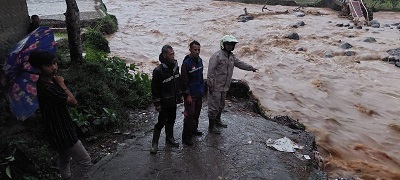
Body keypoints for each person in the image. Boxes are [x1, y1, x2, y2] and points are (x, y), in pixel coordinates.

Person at [28, 51, 92, 180]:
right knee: (84, 161)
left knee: (64, 158)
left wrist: (57, 82)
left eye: (54, 63)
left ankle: (66, 177)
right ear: (39, 68)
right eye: (48, 65)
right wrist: (62, 84)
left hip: (55, 130)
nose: (54, 67)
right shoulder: (48, 88)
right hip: (63, 131)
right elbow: (73, 102)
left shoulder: (46, 84)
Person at [207, 35, 257, 134]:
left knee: (221, 104)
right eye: (228, 45)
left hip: (225, 86)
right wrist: (210, 85)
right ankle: (211, 126)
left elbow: (240, 64)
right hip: (216, 86)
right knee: (213, 106)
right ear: (223, 45)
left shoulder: (232, 57)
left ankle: (218, 120)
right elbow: (210, 72)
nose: (230, 47)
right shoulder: (216, 56)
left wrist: (251, 68)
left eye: (232, 45)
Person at [150, 45, 182, 154]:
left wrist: (180, 95)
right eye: (171, 54)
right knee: (161, 122)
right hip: (164, 102)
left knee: (172, 119)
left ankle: (170, 138)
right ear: (165, 55)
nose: (173, 56)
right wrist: (157, 104)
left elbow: (178, 82)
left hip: (173, 100)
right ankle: (155, 143)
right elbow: (155, 89)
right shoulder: (158, 71)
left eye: (173, 53)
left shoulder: (175, 67)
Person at [180, 40, 205, 146]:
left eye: (199, 50)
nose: (197, 52)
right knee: (189, 116)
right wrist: (187, 95)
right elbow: (184, 82)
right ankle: (186, 137)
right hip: (190, 95)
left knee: (196, 114)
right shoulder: (186, 64)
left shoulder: (200, 60)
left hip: (199, 92)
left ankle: (194, 130)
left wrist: (203, 90)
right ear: (190, 50)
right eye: (195, 50)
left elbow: (201, 77)